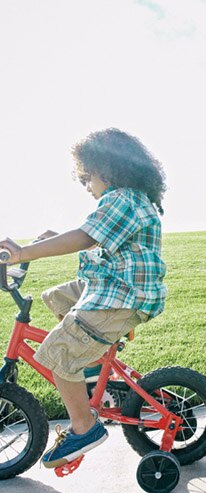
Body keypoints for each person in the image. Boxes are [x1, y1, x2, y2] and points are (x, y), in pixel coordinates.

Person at [0, 128, 167, 468]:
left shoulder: (123, 199)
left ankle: (85, 427)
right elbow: (91, 237)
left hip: (122, 296)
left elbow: (86, 237)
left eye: (86, 179)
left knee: (58, 352)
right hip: (115, 288)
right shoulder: (128, 199)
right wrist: (52, 237)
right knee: (56, 298)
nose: (86, 187)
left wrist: (23, 253)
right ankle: (91, 366)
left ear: (107, 169)